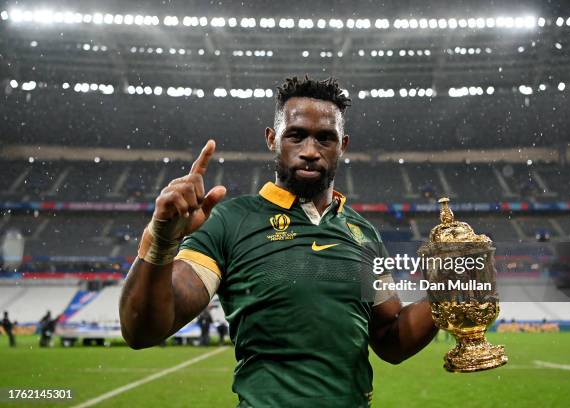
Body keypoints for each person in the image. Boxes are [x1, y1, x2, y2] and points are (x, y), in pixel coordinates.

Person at [119, 76, 437, 407]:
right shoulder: (229, 222)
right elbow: (142, 331)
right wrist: (161, 244)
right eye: (296, 135)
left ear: (342, 145)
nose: (311, 151)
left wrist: (447, 294)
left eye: (325, 139)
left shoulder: (363, 233)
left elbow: (391, 338)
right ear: (273, 139)